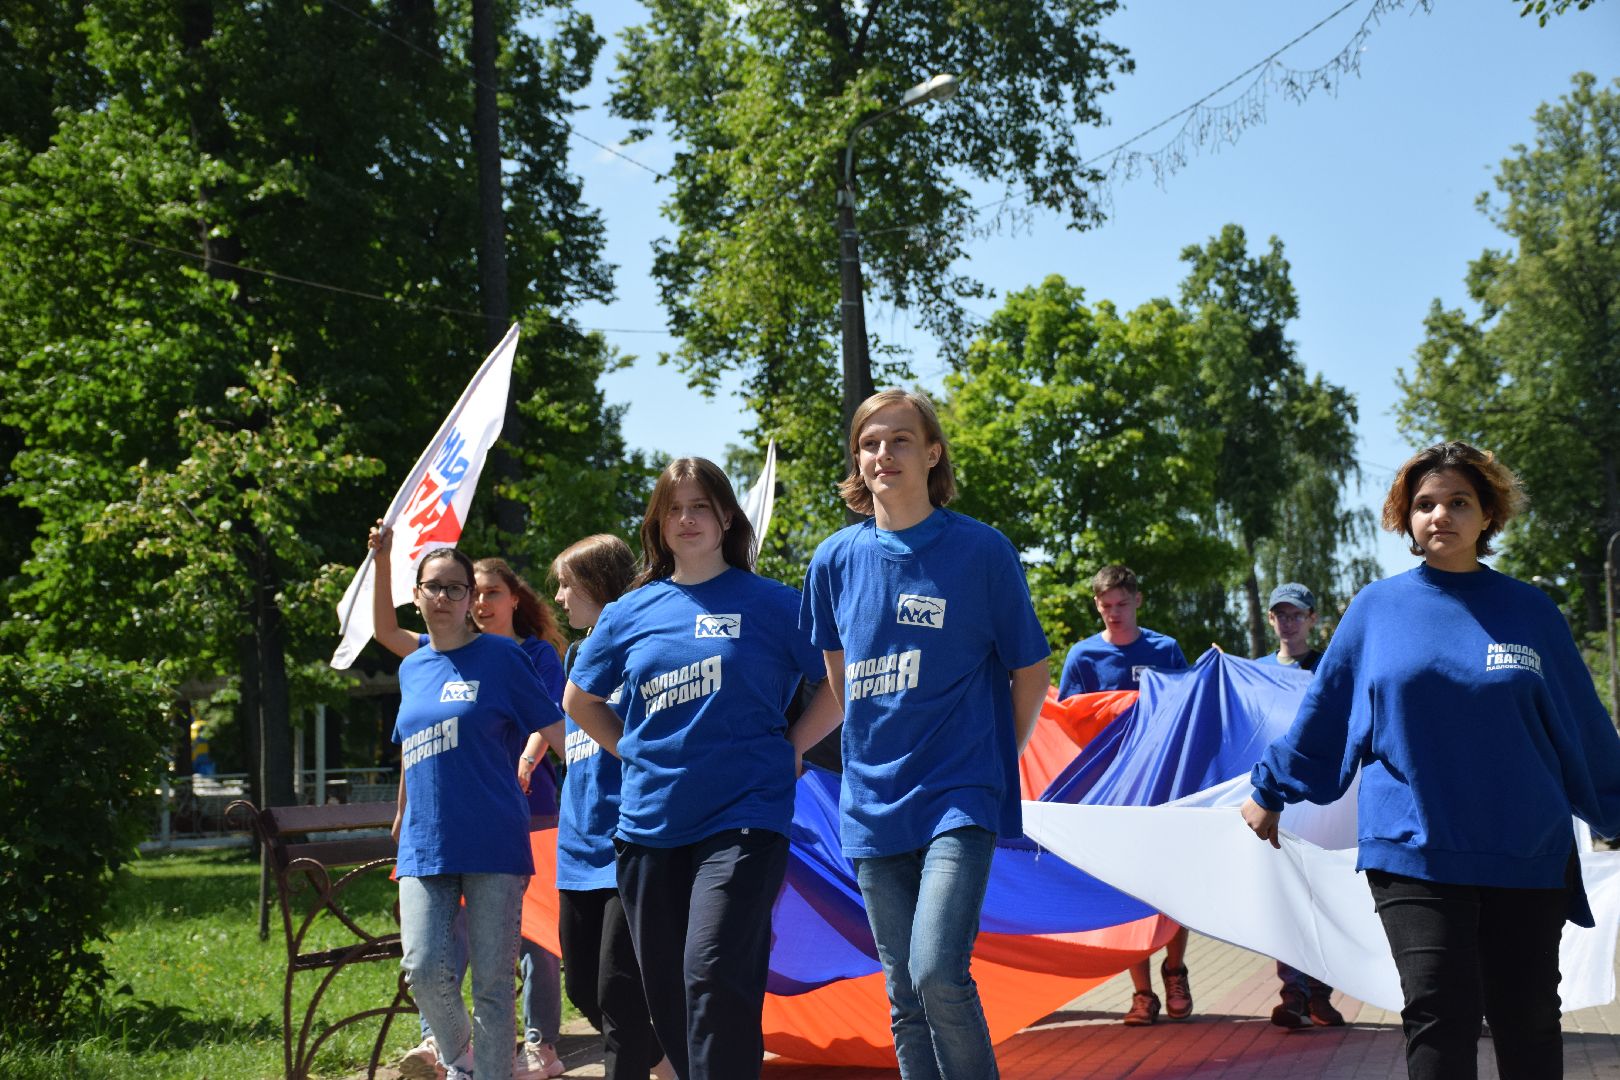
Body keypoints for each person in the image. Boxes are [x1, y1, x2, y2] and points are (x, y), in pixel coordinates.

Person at [1242, 441, 1620, 1079]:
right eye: (1424, 504)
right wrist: (1271, 788)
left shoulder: (1531, 611)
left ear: (1487, 515)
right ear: (1406, 520)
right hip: (1413, 848)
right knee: (1440, 1015)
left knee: (1527, 1020)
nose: (1440, 515)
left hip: (1525, 848)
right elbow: (1327, 715)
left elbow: (1583, 728)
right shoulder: (1377, 611)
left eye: (1458, 502)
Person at [563, 458, 842, 1080]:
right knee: (668, 996)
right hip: (649, 827)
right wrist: (629, 749)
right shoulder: (628, 613)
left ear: (725, 518)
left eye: (700, 507)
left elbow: (837, 683)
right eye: (673, 509)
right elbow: (580, 702)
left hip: (746, 817)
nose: (687, 519)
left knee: (712, 972)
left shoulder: (774, 604)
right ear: (657, 524)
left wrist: (794, 746)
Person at [801, 388, 1051, 1079]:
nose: (884, 454)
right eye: (871, 442)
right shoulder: (833, 561)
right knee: (905, 994)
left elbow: (1030, 669)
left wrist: (1001, 755)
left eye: (901, 439)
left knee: (937, 970)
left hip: (960, 795)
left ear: (933, 451)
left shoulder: (982, 551)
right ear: (858, 458)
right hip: (872, 803)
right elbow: (842, 682)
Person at [371, 527, 570, 1080]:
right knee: (422, 966)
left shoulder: (503, 658)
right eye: (434, 587)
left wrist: (613, 775)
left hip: (494, 840)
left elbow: (557, 731)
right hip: (425, 840)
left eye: (456, 588)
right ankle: (464, 1058)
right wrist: (400, 813)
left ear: (469, 599)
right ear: (418, 595)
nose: (444, 597)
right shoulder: (413, 666)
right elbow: (414, 748)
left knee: (491, 982)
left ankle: (482, 1074)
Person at [550, 534, 672, 1080]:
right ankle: (671, 1061)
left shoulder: (644, 647)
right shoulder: (576, 655)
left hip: (631, 843)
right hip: (576, 848)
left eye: (566, 584)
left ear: (597, 585)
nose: (557, 597)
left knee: (618, 990)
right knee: (581, 988)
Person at [1057, 565, 1192, 1026]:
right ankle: (1142, 993)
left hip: (1163, 789)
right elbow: (1071, 719)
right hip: (1112, 794)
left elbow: (1186, 713)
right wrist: (1119, 707)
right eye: (1105, 605)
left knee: (1173, 886)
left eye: (1121, 603)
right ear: (1097, 605)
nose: (1114, 613)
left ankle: (1175, 972)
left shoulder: (1165, 649)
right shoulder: (1083, 656)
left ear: (1138, 600)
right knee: (1127, 889)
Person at [1251, 582, 1344, 1029]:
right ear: (1271, 620)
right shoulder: (1255, 672)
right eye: (1280, 615)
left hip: (1324, 803)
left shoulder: (1328, 669)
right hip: (1277, 804)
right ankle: (1293, 993)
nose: (1288, 622)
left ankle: (1320, 994)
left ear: (1312, 619)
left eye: (1296, 614)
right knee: (1284, 899)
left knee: (1323, 898)